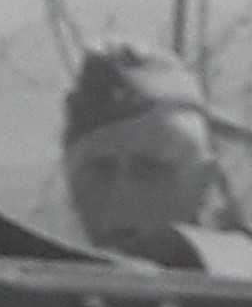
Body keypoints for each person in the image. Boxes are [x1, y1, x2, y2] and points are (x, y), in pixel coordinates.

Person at [61, 41, 222, 251]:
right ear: (72, 185)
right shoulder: (29, 278)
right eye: (100, 171)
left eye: (149, 171)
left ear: (202, 185)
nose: (121, 196)